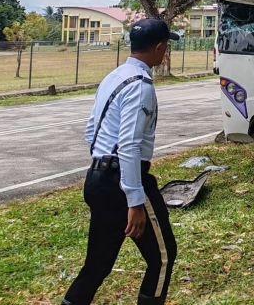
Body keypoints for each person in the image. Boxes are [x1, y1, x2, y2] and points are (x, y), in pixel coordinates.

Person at [62, 19, 180, 305]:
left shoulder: (114, 76)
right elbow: (129, 144)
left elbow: (92, 129)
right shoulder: (141, 86)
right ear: (159, 47)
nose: (165, 54)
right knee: (163, 258)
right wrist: (135, 200)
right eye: (166, 48)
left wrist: (103, 167)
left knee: (98, 263)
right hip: (124, 182)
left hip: (98, 177)